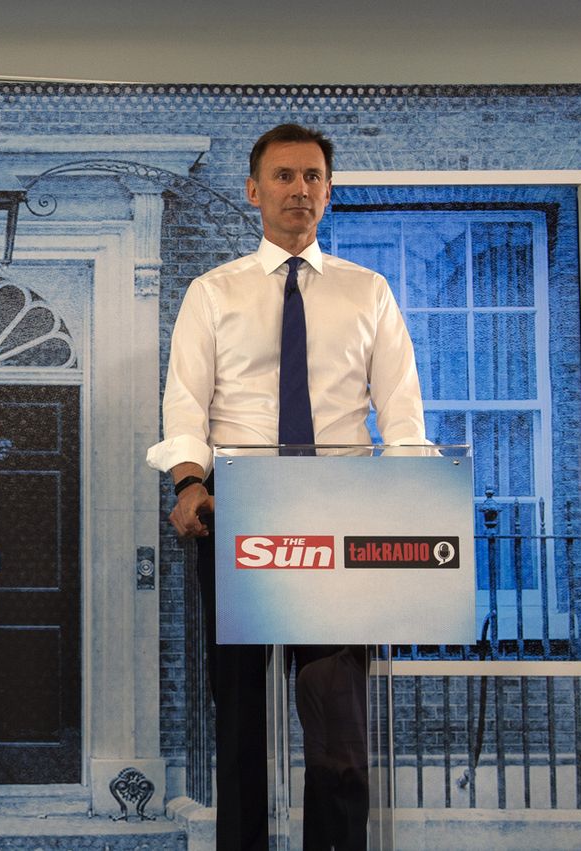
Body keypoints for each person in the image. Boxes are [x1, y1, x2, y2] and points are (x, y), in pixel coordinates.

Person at [146, 124, 426, 850]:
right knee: (238, 717)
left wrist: (404, 512)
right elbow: (186, 403)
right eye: (283, 176)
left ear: (328, 192)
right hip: (240, 514)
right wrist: (188, 481)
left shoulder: (370, 293)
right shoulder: (212, 293)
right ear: (254, 190)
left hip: (339, 522)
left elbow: (401, 417)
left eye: (311, 177)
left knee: (337, 720)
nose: (298, 189)